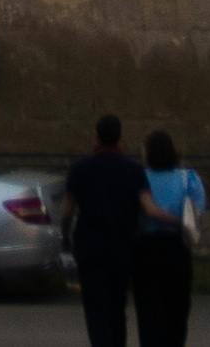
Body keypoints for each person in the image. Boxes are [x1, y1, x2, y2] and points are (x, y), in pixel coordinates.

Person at [63, 113, 152, 347]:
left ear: (97, 136)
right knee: (116, 305)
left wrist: (65, 238)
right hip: (122, 246)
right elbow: (146, 207)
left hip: (90, 246)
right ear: (119, 137)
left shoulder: (80, 168)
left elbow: (68, 210)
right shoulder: (133, 169)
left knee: (95, 308)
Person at [136, 130, 208, 347]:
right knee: (177, 307)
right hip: (176, 247)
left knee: (148, 310)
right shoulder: (188, 179)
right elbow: (198, 210)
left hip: (145, 248)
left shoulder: (140, 178)